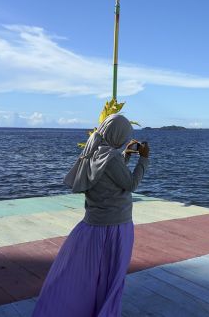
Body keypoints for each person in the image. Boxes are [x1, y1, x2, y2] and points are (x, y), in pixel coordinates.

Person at [33, 114, 150, 317]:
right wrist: (144, 159)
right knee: (111, 277)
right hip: (115, 227)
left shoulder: (96, 152)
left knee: (87, 278)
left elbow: (109, 176)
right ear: (118, 134)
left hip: (93, 226)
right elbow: (130, 184)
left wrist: (126, 156)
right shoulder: (111, 158)